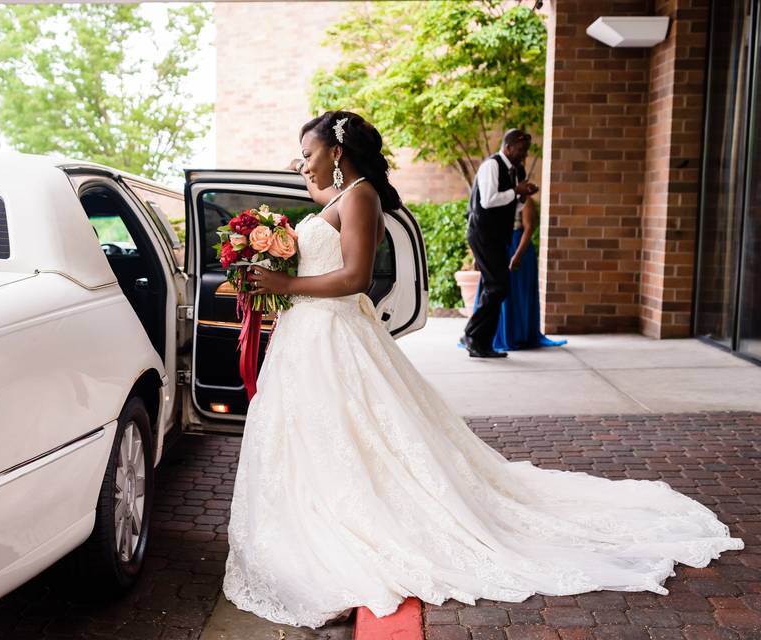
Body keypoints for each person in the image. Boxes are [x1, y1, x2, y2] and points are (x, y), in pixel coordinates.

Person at [225, 110, 743, 629]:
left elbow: (357, 276)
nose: (303, 166)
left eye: (309, 155)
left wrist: (284, 286)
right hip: (309, 336)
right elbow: (321, 211)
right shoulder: (338, 196)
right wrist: (273, 225)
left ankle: (344, 527)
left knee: (353, 436)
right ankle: (314, 520)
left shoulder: (360, 196)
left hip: (334, 334)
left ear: (337, 153)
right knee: (313, 438)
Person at [461, 130, 539, 358]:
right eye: (521, 150)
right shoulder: (491, 166)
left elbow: (511, 207)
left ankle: (480, 342)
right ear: (508, 147)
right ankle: (473, 336)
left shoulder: (518, 171)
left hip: (498, 235)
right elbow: (488, 200)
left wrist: (522, 197)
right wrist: (516, 190)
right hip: (483, 233)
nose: (524, 156)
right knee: (497, 286)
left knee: (493, 286)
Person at [469, 197, 567, 351]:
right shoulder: (497, 197)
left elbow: (528, 228)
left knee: (516, 293)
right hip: (498, 246)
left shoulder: (525, 201)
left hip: (517, 247)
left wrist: (518, 255)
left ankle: (517, 335)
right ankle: (482, 336)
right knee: (493, 292)